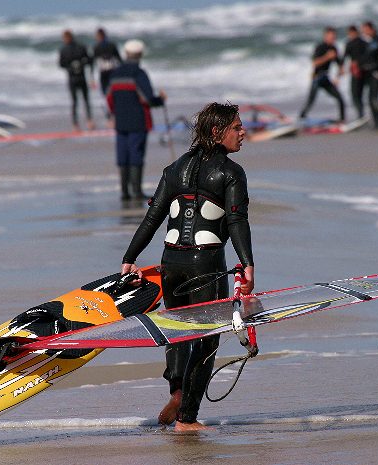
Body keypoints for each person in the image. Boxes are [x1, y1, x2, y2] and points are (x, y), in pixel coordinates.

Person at [120, 102, 255, 432]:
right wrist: (247, 264)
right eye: (236, 127)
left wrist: (129, 258)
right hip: (206, 264)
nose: (243, 132)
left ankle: (178, 392)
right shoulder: (231, 172)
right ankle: (187, 419)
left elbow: (153, 218)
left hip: (171, 263)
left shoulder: (174, 168)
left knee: (177, 334)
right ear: (216, 132)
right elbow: (237, 220)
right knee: (207, 339)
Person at [106, 39, 165, 200]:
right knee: (136, 154)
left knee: (122, 154)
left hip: (121, 121)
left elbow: (109, 98)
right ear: (140, 55)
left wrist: (114, 113)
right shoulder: (139, 74)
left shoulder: (115, 73)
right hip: (139, 120)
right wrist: (160, 99)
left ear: (126, 54)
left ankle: (125, 192)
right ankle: (137, 191)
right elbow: (148, 99)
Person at [299, 26, 346, 122]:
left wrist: (338, 78)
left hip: (326, 78)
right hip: (317, 77)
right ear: (325, 36)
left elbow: (340, 66)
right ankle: (301, 118)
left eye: (334, 37)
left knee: (340, 98)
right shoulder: (320, 47)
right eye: (331, 37)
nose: (333, 39)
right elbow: (315, 63)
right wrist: (327, 57)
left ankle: (342, 120)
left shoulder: (334, 48)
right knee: (310, 101)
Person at [59, 30, 95, 131]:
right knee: (86, 100)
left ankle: (76, 124)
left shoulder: (64, 49)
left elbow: (61, 64)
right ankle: (89, 121)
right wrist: (81, 64)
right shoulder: (81, 47)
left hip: (72, 78)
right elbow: (90, 60)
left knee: (75, 102)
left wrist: (70, 67)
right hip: (81, 77)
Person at [360, 21, 378, 129]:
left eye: (365, 30)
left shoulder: (376, 40)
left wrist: (360, 60)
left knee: (374, 99)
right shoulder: (371, 40)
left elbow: (370, 53)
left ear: (371, 29)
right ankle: (377, 123)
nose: (364, 32)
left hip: (376, 72)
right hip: (371, 73)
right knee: (371, 98)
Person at [342, 25, 368, 119]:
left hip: (356, 71)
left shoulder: (350, 43)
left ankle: (360, 115)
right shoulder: (364, 42)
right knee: (360, 95)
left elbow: (344, 57)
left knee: (355, 94)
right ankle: (361, 114)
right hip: (364, 71)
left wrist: (341, 69)